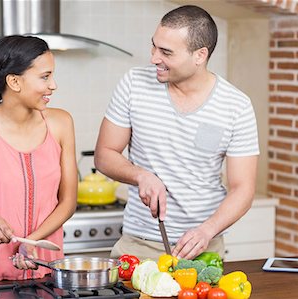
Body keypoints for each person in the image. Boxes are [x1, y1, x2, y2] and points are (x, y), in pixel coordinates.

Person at [95, 5, 259, 261]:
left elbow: (243, 189)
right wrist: (141, 175)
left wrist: (207, 230)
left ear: (199, 55)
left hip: (202, 248)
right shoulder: (133, 84)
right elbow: (104, 154)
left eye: (166, 52)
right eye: (154, 46)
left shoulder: (236, 106)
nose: (154, 58)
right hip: (138, 246)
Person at [0, 35, 77, 281]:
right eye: (45, 77)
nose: (53, 85)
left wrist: (31, 241)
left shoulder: (61, 123)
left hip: (46, 272)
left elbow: (68, 202)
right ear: (14, 81)